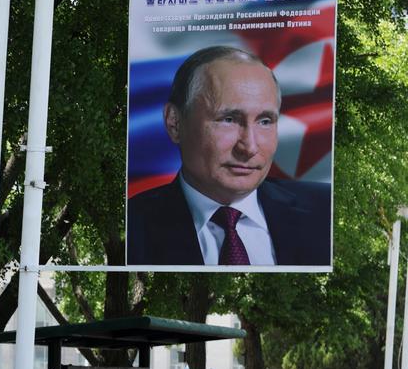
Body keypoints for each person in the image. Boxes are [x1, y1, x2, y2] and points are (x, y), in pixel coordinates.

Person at [126, 45, 330, 267]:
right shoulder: (132, 229)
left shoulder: (324, 209)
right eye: (229, 120)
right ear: (174, 123)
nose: (250, 147)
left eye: (265, 121)